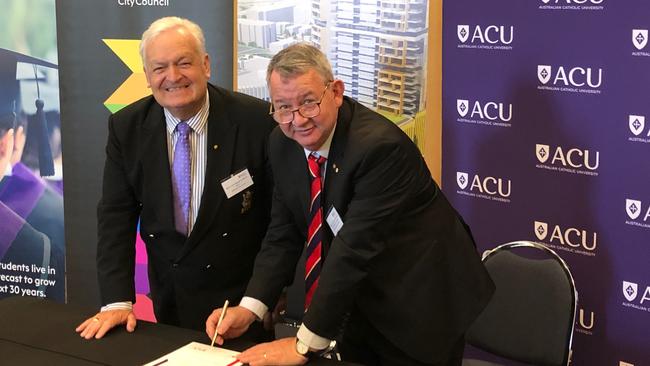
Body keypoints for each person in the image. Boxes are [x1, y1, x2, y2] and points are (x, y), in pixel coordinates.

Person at [206, 43, 495, 366]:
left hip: (421, 297)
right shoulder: (282, 143)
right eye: (283, 107)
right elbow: (282, 234)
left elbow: (354, 248)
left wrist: (303, 346)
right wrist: (250, 307)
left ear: (336, 92)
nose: (297, 119)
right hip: (357, 299)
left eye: (308, 103)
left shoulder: (379, 148)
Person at [76, 17, 275, 339]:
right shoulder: (126, 127)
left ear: (206, 65)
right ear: (147, 76)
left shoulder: (256, 121)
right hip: (170, 296)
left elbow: (279, 220)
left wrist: (264, 297)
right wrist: (116, 301)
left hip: (240, 304)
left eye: (184, 63)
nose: (173, 77)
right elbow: (115, 216)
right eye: (159, 68)